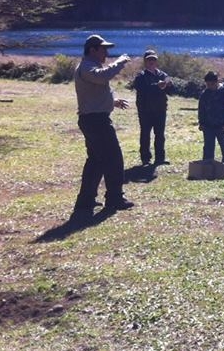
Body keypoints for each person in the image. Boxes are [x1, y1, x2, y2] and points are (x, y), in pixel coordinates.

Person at [72, 34, 133, 215]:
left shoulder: (91, 66)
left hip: (92, 119)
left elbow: (95, 92)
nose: (106, 53)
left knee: (96, 161)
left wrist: (112, 101)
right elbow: (102, 77)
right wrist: (120, 62)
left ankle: (86, 200)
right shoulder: (87, 66)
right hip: (96, 121)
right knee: (114, 159)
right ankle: (114, 199)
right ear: (93, 50)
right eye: (103, 49)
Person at [132, 49, 172, 166]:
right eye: (149, 60)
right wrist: (157, 86)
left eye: (153, 59)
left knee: (160, 135)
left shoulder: (162, 75)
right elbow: (142, 89)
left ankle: (160, 158)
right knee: (145, 134)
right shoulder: (141, 76)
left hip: (160, 109)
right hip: (145, 110)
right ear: (145, 61)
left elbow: (170, 91)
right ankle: (146, 159)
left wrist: (169, 85)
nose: (151, 62)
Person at [198, 71, 224, 171]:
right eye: (207, 84)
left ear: (217, 82)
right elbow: (201, 109)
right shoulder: (205, 94)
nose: (209, 86)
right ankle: (207, 166)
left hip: (221, 125)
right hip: (208, 125)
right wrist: (201, 122)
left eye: (212, 84)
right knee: (208, 147)